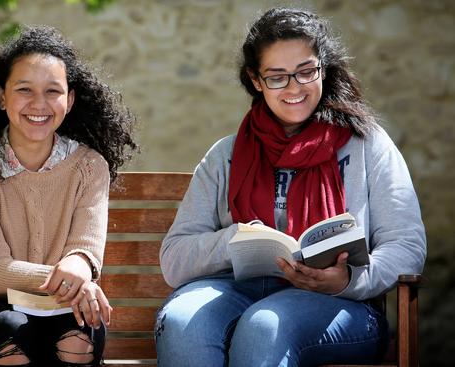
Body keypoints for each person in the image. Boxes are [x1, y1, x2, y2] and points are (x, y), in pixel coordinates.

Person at [155, 7, 426, 367]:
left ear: (323, 69)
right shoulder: (226, 155)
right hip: (234, 290)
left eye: (305, 72)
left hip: (342, 304)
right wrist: (233, 240)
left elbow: (406, 246)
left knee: (265, 324)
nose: (294, 88)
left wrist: (347, 280)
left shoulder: (367, 146)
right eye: (277, 77)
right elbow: (174, 260)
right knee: (181, 321)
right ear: (256, 80)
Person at [0, 25, 137, 367]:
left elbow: (85, 250)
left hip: (57, 308)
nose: (39, 104)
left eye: (52, 91)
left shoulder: (89, 165)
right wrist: (73, 282)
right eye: (24, 89)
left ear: (69, 101)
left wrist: (78, 267)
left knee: (79, 335)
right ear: (1, 97)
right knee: (10, 331)